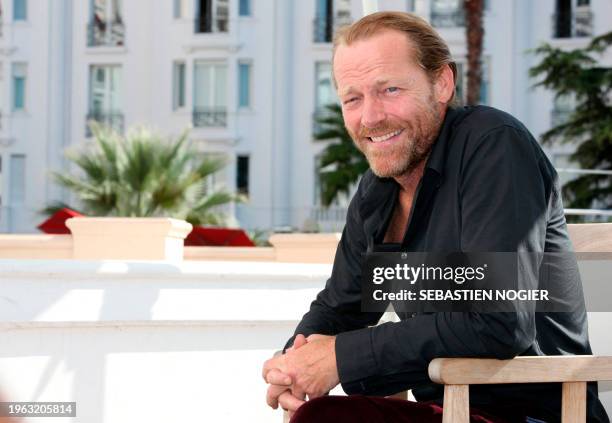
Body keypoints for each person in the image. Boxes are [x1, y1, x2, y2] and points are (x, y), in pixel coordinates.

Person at [262, 11, 609, 423]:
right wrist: (292, 362)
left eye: (389, 89)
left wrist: (342, 355)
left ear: (442, 83)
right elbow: (341, 306)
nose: (370, 117)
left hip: (534, 416)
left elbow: (498, 321)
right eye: (352, 98)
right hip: (444, 410)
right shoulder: (378, 190)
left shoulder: (494, 145)